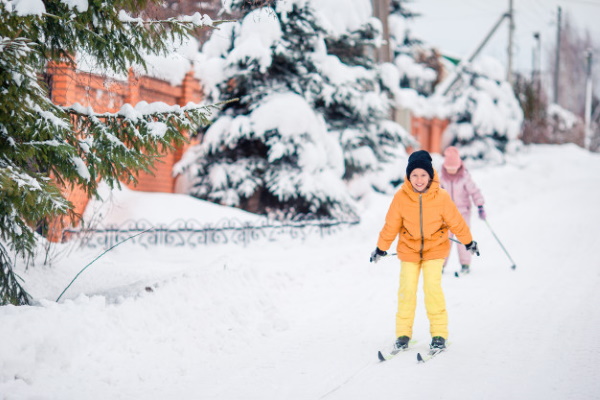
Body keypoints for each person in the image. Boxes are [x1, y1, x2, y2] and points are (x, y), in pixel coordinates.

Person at [369, 150, 479, 352]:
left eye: (423, 175)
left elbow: (457, 222)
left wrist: (468, 242)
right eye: (414, 175)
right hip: (409, 251)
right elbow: (390, 226)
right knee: (406, 291)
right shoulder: (401, 197)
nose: (419, 180)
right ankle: (403, 334)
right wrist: (380, 248)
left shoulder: (442, 197)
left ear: (430, 176)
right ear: (408, 176)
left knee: (432, 289)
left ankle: (439, 335)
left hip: (435, 250)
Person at [440, 146, 486, 275]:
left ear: (459, 166)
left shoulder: (465, 177)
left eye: (454, 168)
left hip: (462, 213)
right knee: (444, 239)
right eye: (449, 168)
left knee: (462, 239)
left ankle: (465, 264)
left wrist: (480, 206)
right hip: (446, 214)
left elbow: (475, 191)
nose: (451, 171)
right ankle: (440, 265)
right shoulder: (441, 177)